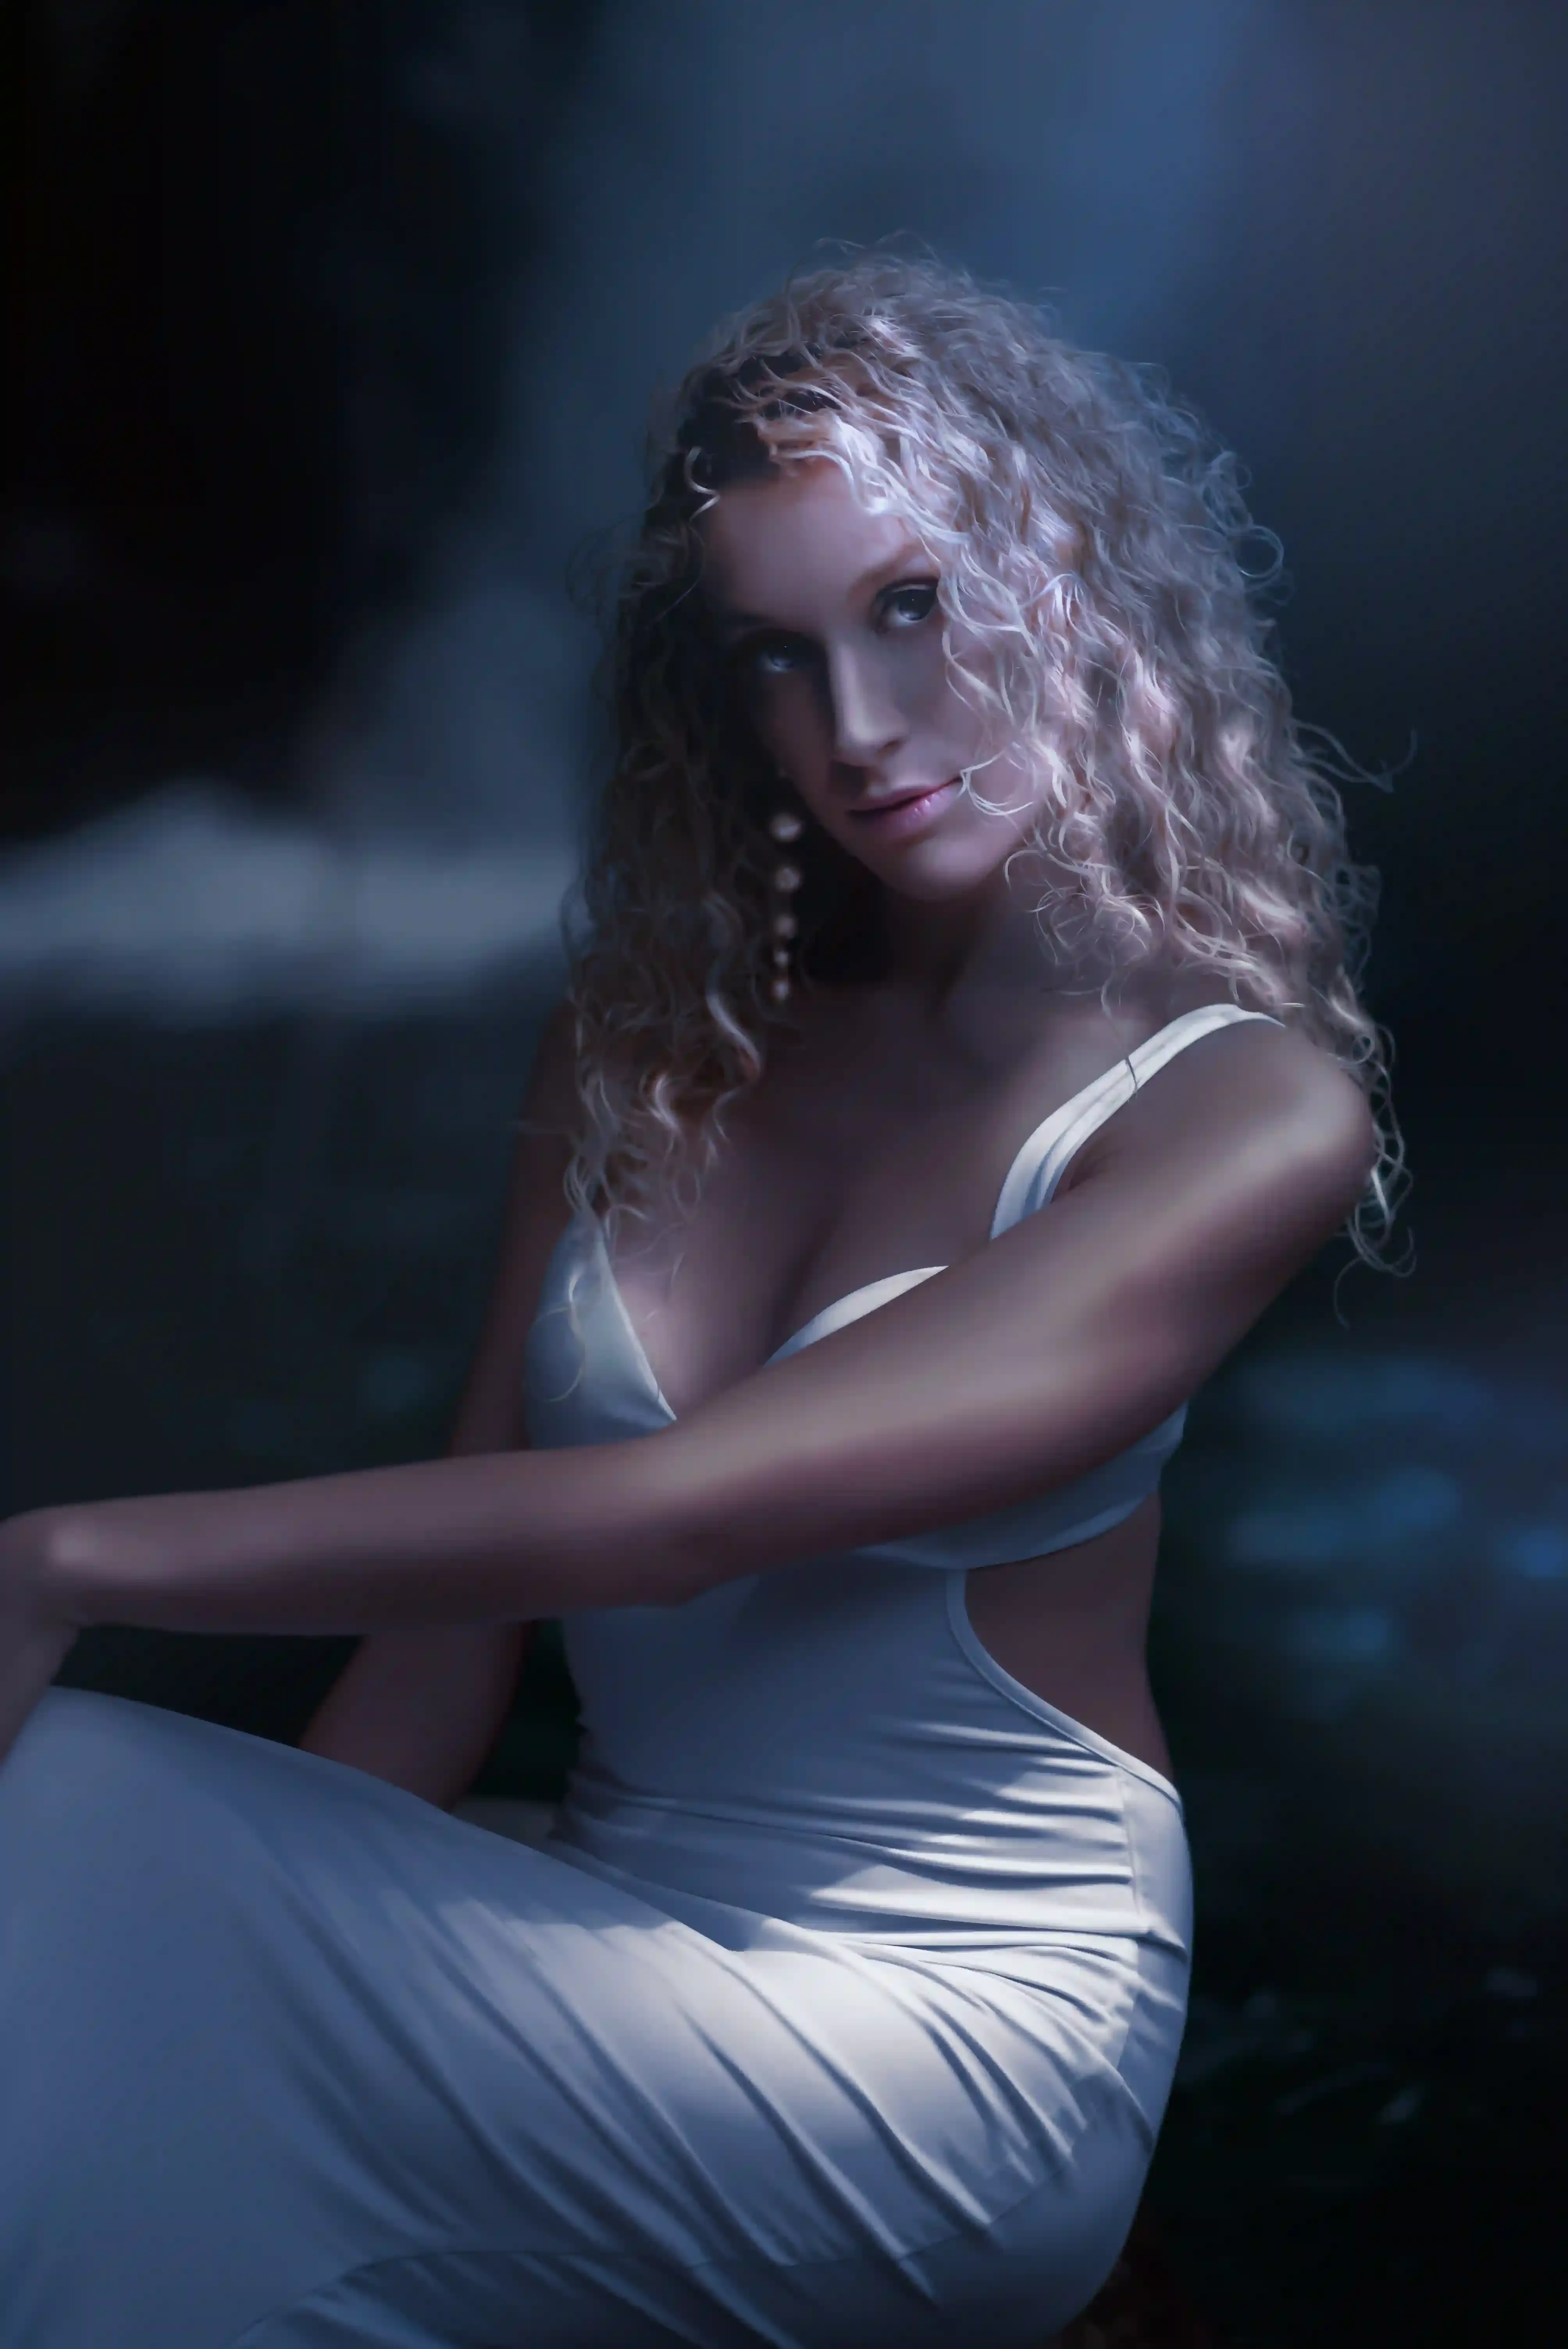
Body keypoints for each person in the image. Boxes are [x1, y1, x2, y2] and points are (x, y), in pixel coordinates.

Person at [0, 253, 1399, 2347]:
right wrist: (276, 1903)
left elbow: (684, 1519)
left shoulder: (1239, 1112)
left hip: (943, 2045)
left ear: (1076, 575)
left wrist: (60, 1563)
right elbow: (448, 1643)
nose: (856, 728)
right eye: (777, 654)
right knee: (119, 1929)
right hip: (613, 1914)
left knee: (99, 1824)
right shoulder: (648, 1035)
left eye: (914, 605)